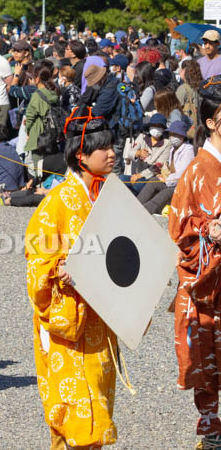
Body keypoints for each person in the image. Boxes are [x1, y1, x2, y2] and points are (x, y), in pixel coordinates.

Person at [25, 109, 119, 448]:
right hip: (70, 317)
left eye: (112, 146)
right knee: (76, 408)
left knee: (98, 395)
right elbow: (37, 263)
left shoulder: (105, 196)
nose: (112, 153)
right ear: (81, 155)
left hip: (98, 315)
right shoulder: (55, 203)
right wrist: (58, 273)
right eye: (103, 148)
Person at [167, 77, 221, 447]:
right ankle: (212, 427)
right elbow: (179, 232)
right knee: (208, 359)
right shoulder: (198, 171)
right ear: (213, 122)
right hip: (209, 281)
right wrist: (209, 231)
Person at [136, 120, 193, 214]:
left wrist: (166, 180)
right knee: (153, 181)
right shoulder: (173, 149)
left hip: (181, 186)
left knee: (165, 194)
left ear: (182, 136)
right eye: (171, 134)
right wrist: (163, 177)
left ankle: (143, 212)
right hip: (171, 181)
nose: (172, 137)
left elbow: (181, 174)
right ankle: (135, 206)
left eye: (175, 134)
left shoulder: (188, 150)